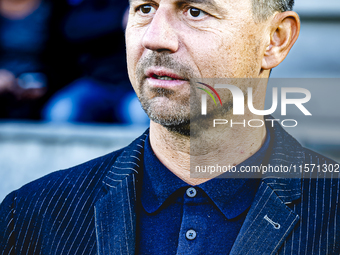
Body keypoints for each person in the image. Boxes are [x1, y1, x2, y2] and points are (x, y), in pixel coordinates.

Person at [0, 0, 339, 254]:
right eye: (145, 8)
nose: (155, 38)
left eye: (195, 11)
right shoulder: (31, 216)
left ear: (275, 40)